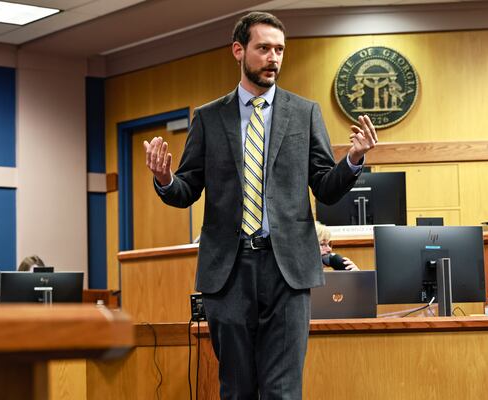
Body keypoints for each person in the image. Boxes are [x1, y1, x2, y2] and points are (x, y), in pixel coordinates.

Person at [143, 11, 377, 399]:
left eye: (280, 50)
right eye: (264, 48)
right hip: (228, 272)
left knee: (282, 391)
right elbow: (186, 190)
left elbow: (325, 188)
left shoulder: (305, 113)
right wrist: (166, 179)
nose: (274, 58)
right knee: (236, 389)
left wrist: (352, 160)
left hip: (288, 271)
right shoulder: (208, 117)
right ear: (239, 50)